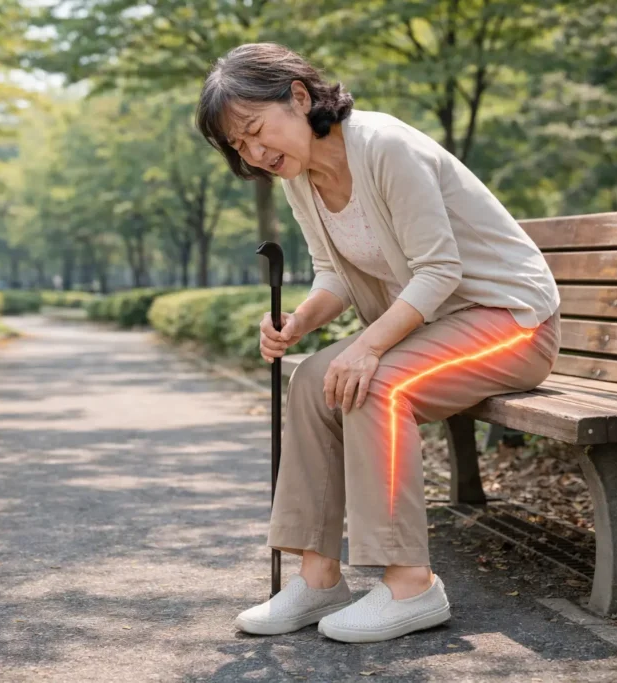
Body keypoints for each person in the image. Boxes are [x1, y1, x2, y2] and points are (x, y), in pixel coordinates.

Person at [195, 43, 561, 643]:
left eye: (258, 131)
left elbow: (439, 270)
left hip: (511, 324)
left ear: (299, 96)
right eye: (240, 147)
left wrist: (366, 347)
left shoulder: (384, 147)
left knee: (376, 382)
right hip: (438, 326)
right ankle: (317, 579)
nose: (256, 154)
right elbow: (334, 272)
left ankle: (411, 584)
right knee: (314, 378)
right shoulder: (300, 175)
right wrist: (298, 324)